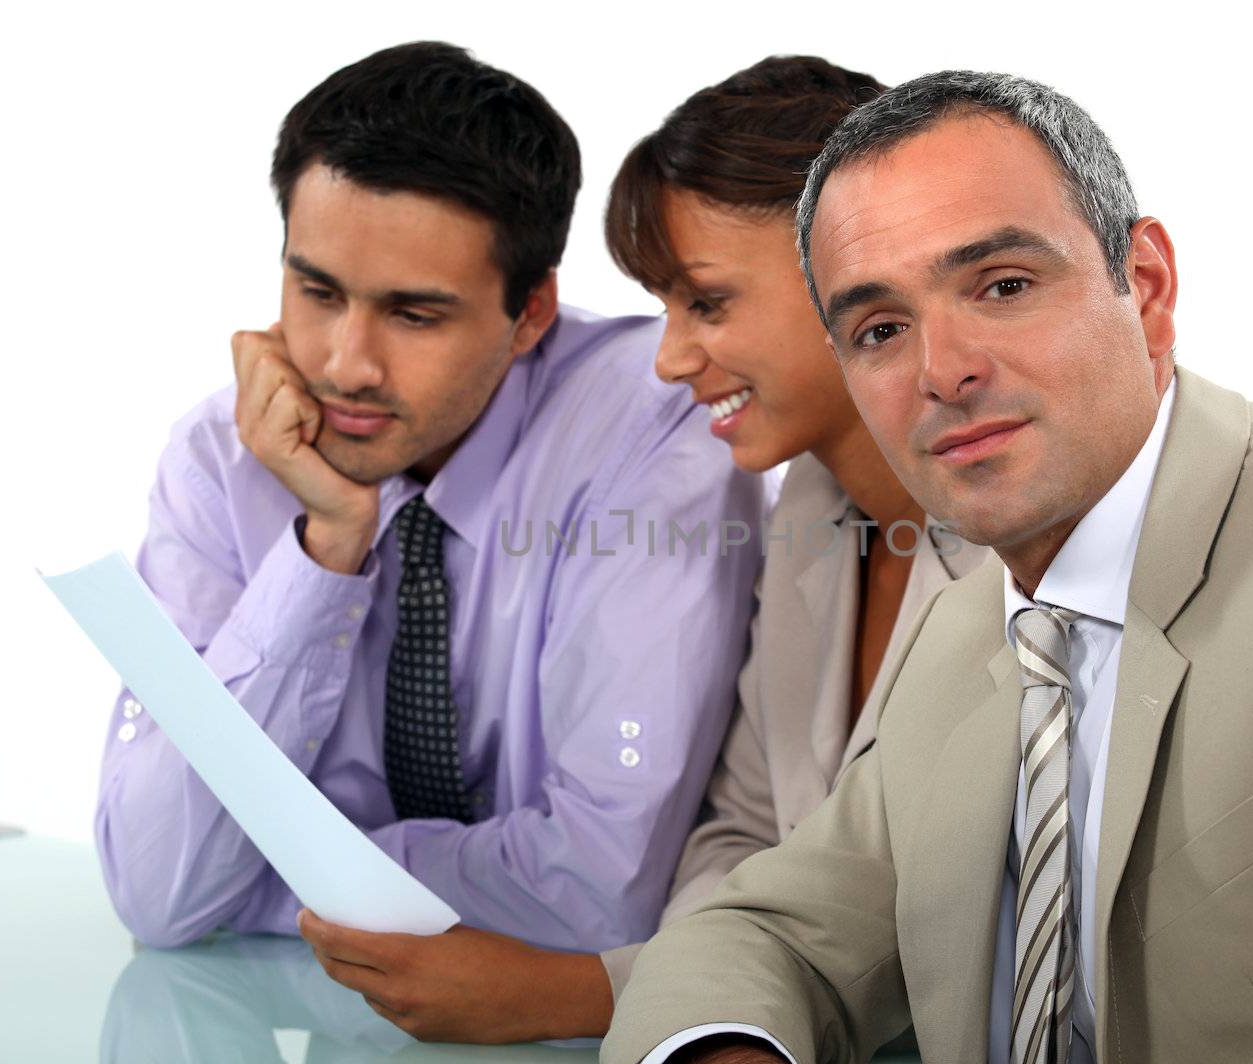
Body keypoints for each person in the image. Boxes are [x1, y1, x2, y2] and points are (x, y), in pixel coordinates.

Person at [602, 71, 1253, 1064]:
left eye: (1002, 285)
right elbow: (766, 932)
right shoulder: (973, 636)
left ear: (1150, 289)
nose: (940, 368)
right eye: (879, 328)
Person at [296, 56, 991, 1044]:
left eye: (705, 304)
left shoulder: (1023, 532)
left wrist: (587, 989)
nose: (667, 358)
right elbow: (743, 837)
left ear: (852, 273)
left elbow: (971, 922)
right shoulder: (813, 514)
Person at [94, 42, 764, 956]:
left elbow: (602, 892)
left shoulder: (654, 427)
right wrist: (323, 546)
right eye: (316, 289)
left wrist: (271, 871)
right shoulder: (224, 458)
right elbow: (158, 888)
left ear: (531, 314)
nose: (344, 365)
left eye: (414, 314)